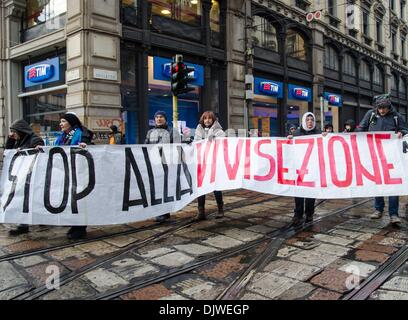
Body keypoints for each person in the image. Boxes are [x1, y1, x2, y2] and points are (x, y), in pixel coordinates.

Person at [356, 93, 408, 226]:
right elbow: (361, 129)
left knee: (393, 185)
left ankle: (393, 213)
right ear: (376, 107)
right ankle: (378, 209)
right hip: (375, 155)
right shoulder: (371, 114)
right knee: (378, 182)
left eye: (384, 108)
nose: (382, 110)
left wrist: (402, 132)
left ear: (389, 106)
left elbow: (405, 130)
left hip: (392, 156)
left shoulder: (397, 117)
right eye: (380, 108)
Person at [145, 111, 191, 222]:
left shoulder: (172, 131)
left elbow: (178, 144)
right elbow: (145, 145)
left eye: (161, 117)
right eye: (156, 117)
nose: (158, 119)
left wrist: (187, 141)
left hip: (168, 164)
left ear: (165, 119)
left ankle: (164, 212)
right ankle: (161, 211)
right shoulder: (150, 132)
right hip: (155, 164)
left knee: (166, 188)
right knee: (157, 188)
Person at [55, 112, 93, 239]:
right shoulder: (62, 136)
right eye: (60, 122)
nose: (61, 124)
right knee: (70, 199)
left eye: (63, 121)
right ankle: (74, 224)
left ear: (71, 122)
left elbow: (90, 148)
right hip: (66, 172)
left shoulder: (82, 133)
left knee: (80, 201)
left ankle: (81, 228)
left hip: (80, 172)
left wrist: (85, 145)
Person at [6, 120, 44, 236]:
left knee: (30, 199)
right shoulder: (19, 140)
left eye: (14, 132)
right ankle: (23, 224)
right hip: (22, 175)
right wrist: (11, 139)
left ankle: (34, 221)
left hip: (33, 176)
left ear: (21, 131)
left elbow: (41, 155)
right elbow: (8, 152)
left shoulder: (35, 140)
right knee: (23, 199)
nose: (13, 134)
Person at [287, 112, 322, 227]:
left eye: (312, 120)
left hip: (312, 167)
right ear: (303, 121)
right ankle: (297, 214)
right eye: (307, 120)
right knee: (298, 192)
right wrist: (289, 140)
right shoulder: (296, 134)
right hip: (299, 168)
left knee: (311, 192)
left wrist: (327, 137)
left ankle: (309, 213)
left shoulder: (319, 133)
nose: (310, 122)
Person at [194, 111, 226, 220]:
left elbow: (223, 144)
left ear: (213, 120)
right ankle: (201, 212)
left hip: (214, 163)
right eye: (205, 118)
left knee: (216, 187)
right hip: (202, 163)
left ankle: (220, 209)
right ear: (202, 120)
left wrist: (215, 138)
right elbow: (196, 144)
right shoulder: (198, 130)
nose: (207, 120)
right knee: (201, 187)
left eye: (209, 118)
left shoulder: (219, 131)